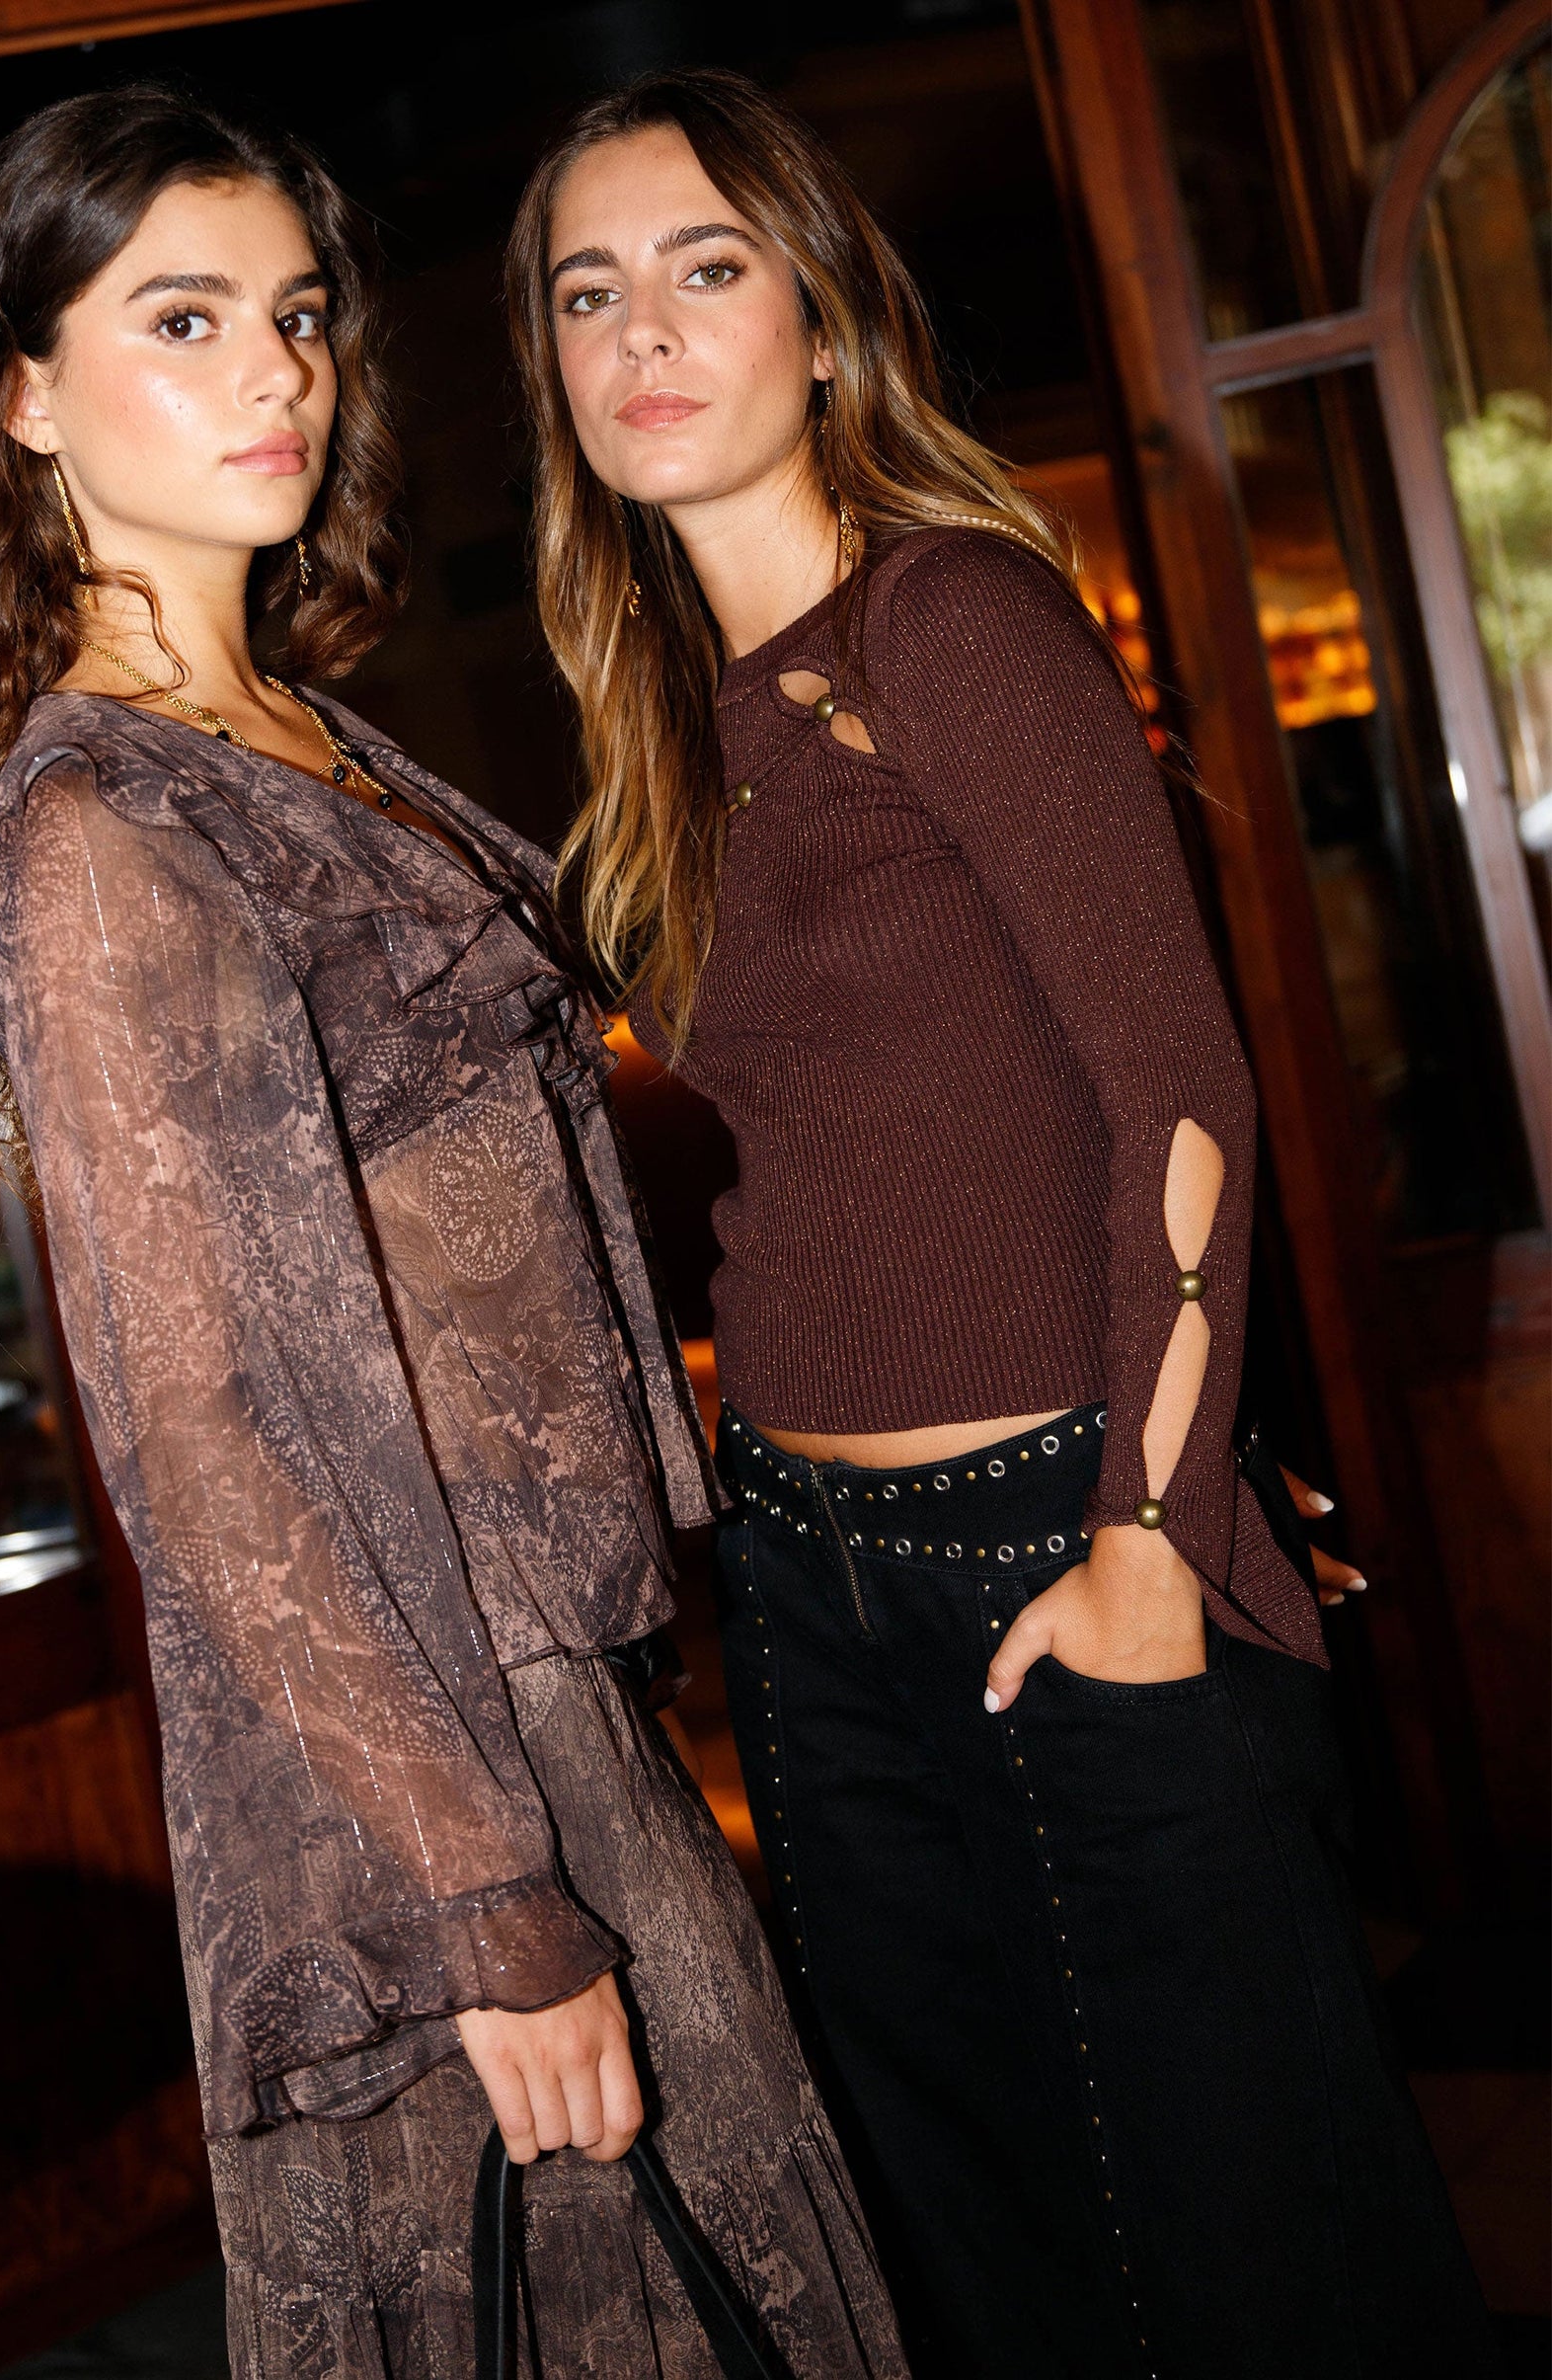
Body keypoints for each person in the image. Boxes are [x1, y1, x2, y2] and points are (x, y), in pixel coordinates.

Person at [0, 84, 906, 2380]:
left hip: (550, 1680)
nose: (275, 373)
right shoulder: (99, 826)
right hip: (426, 1737)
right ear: (23, 398)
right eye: (183, 319)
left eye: (299, 315)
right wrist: (481, 1894)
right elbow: (203, 1428)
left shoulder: (296, 731)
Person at [507, 66, 1498, 2380]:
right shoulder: (666, 723)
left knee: (1251, 2268)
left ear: (821, 321)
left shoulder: (945, 619)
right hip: (806, 1584)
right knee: (987, 2268)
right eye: (586, 289)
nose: (642, 329)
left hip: (1061, 1544)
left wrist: (1154, 1526)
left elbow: (1182, 1092)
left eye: (705, 268)